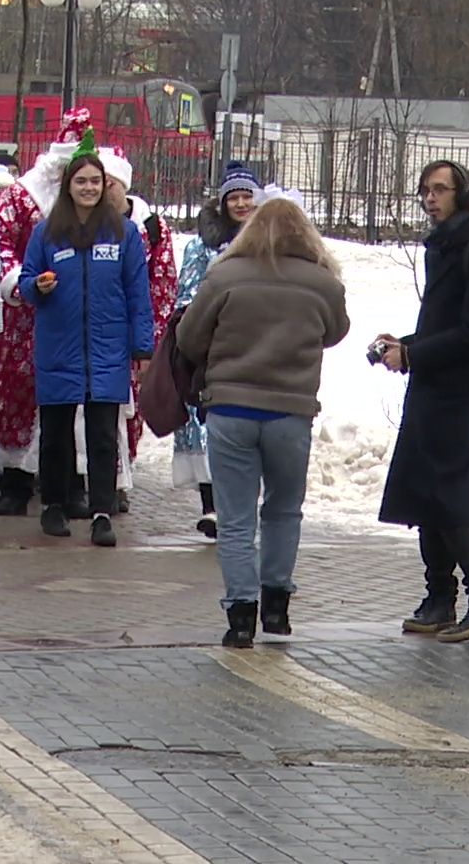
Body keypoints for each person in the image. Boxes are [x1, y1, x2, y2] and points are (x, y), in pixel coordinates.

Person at [178, 195, 349, 647]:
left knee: (235, 520)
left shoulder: (225, 275)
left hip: (231, 410)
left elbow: (189, 336)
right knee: (283, 509)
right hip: (291, 412)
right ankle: (277, 606)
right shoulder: (323, 283)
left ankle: (240, 615)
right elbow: (336, 331)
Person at [379, 159, 469, 644]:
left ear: (464, 194)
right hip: (433, 381)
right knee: (422, 489)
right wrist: (403, 344)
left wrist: (412, 353)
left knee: (444, 491)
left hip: (455, 390)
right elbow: (445, 325)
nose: (430, 198)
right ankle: (439, 596)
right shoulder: (445, 245)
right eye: (425, 190)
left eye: (440, 190)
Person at [17, 142, 155, 546]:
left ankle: (101, 513)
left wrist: (141, 348)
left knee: (102, 435)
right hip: (59, 345)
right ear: (68, 186)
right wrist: (37, 287)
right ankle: (54, 506)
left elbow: (138, 294)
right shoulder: (46, 232)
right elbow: (25, 281)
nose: (89, 188)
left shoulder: (124, 233)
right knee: (56, 433)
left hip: (107, 349)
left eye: (96, 181)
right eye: (82, 181)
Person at [0, 108, 91, 516]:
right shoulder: (21, 195)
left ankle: (71, 484)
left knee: (75, 399)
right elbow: (1, 241)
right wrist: (19, 281)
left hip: (75, 318)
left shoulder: (93, 204)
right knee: (19, 393)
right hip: (27, 314)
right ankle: (14, 483)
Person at [175, 162, 259, 538]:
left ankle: (238, 506)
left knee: (246, 428)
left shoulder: (268, 245)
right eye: (234, 198)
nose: (241, 204)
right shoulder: (202, 246)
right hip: (211, 349)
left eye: (247, 197)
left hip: (255, 348)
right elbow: (189, 292)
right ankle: (212, 508)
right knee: (206, 425)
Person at [101, 145, 176, 512]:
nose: (104, 190)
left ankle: (120, 476)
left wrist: (150, 336)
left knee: (132, 412)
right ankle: (97, 476)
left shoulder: (151, 226)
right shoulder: (91, 224)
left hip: (138, 332)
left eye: (110, 183)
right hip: (104, 332)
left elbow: (163, 280)